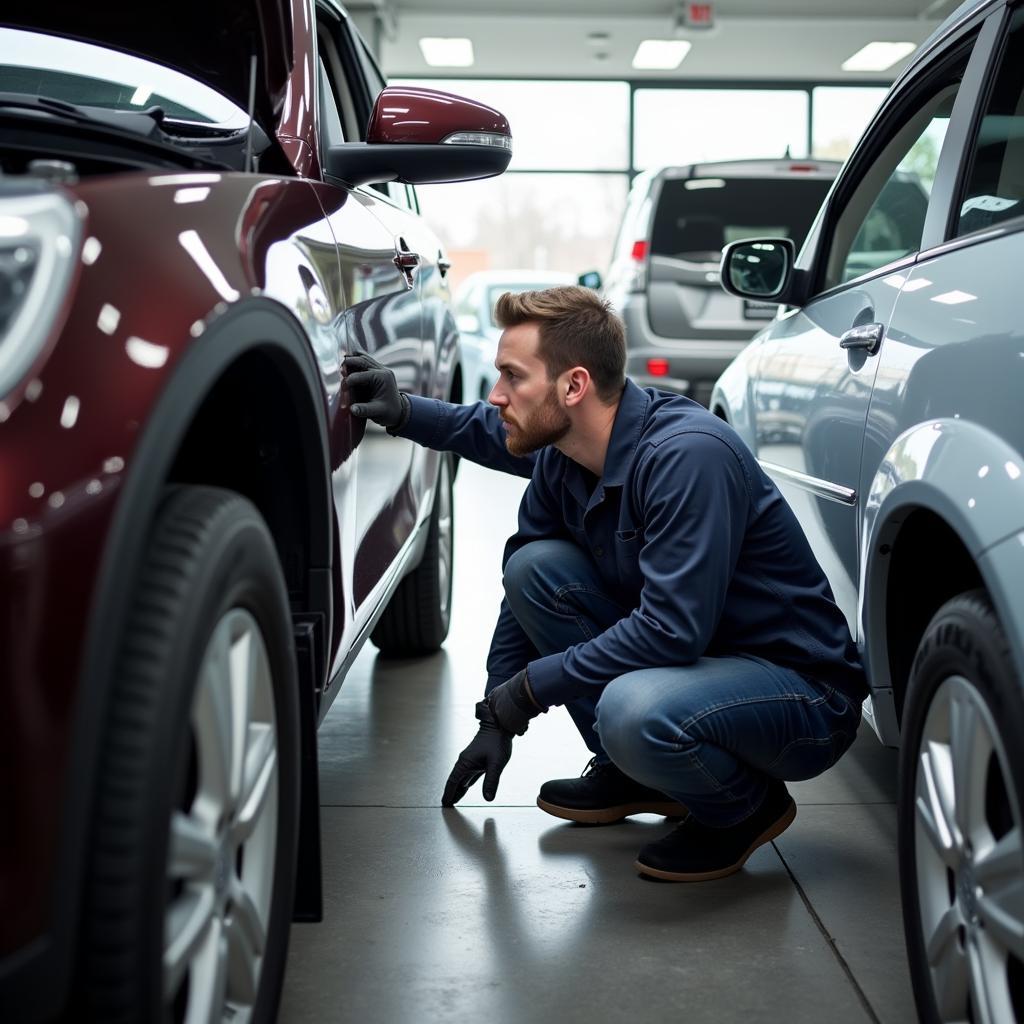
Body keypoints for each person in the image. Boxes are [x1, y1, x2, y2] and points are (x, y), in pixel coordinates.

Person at [342, 286, 866, 882]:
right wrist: (497, 711)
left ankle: (742, 806)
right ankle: (642, 771)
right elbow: (491, 454)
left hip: (799, 693)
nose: (496, 395)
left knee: (630, 708)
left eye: (513, 377)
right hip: (704, 664)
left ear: (573, 387)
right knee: (535, 569)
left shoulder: (686, 457)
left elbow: (671, 633)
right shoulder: (564, 450)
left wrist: (530, 689)